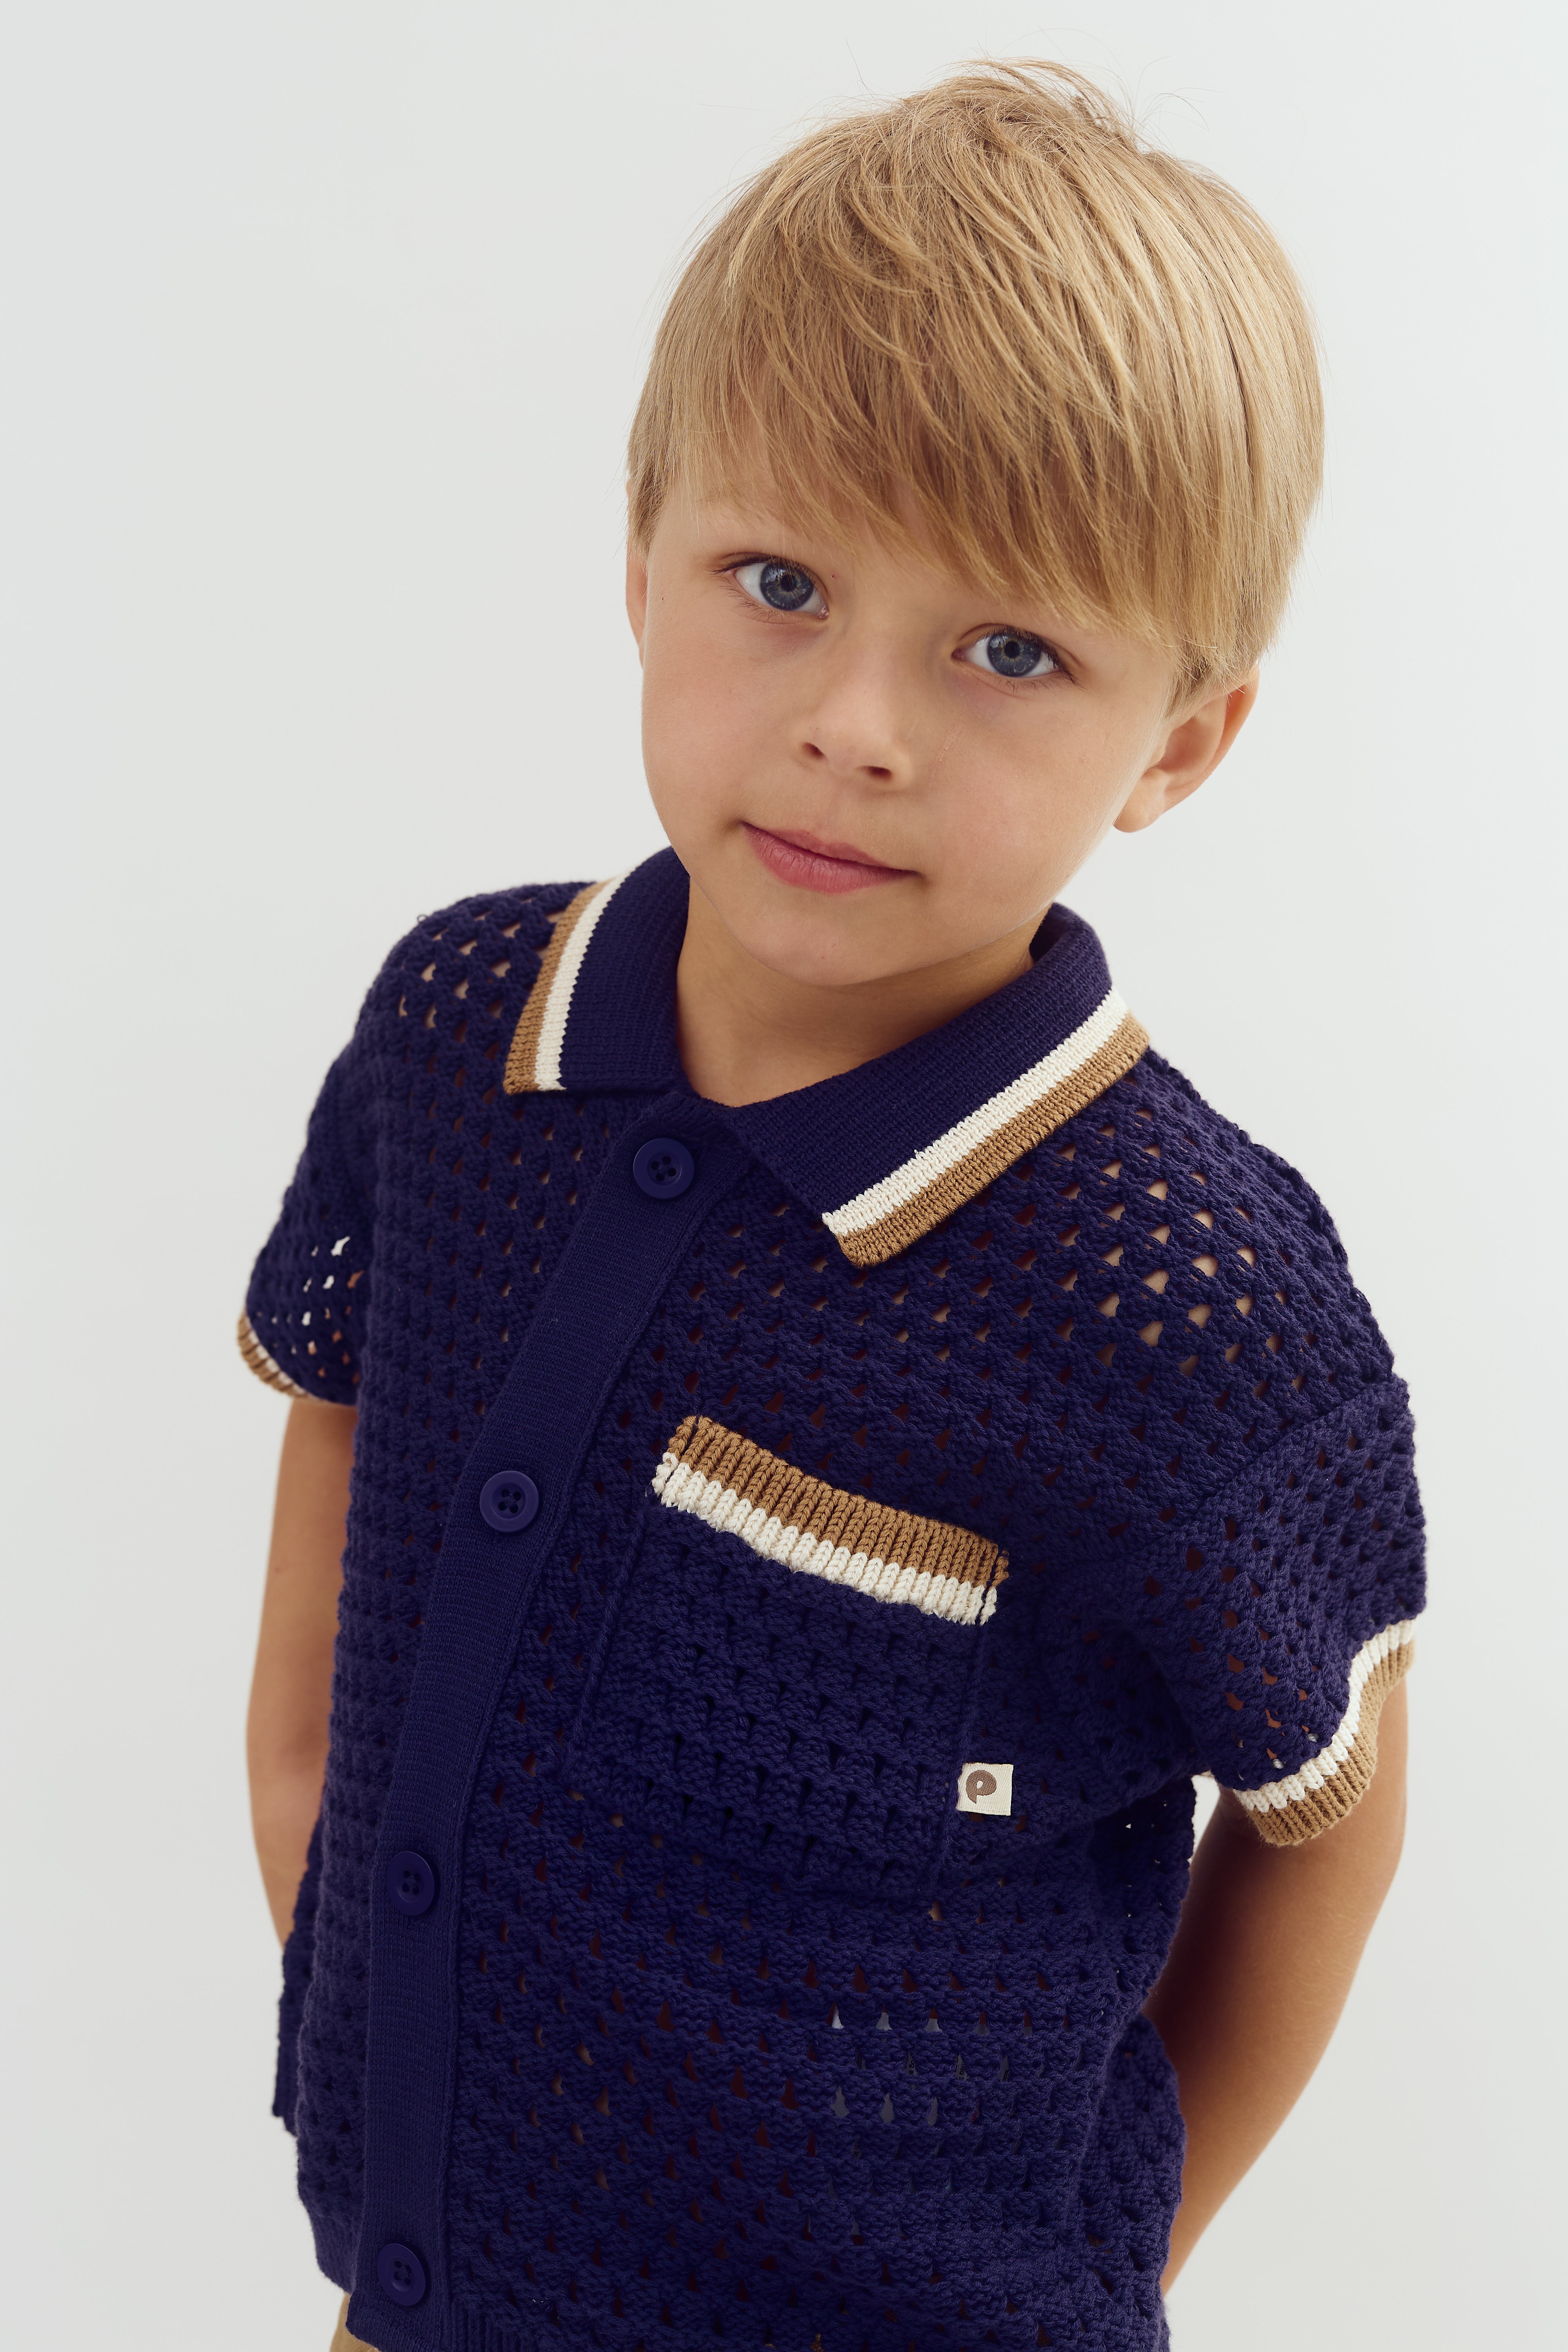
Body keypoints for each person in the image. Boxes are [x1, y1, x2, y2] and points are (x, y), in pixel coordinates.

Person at [242, 62, 1424, 2352]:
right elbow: (346, 1424)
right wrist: (323, 1880)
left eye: (1011, 653)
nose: (856, 723)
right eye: (777, 583)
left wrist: (1084, 2269)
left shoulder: (1185, 1297)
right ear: (640, 552)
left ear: (1179, 742)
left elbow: (1329, 1822)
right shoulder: (464, 1023)